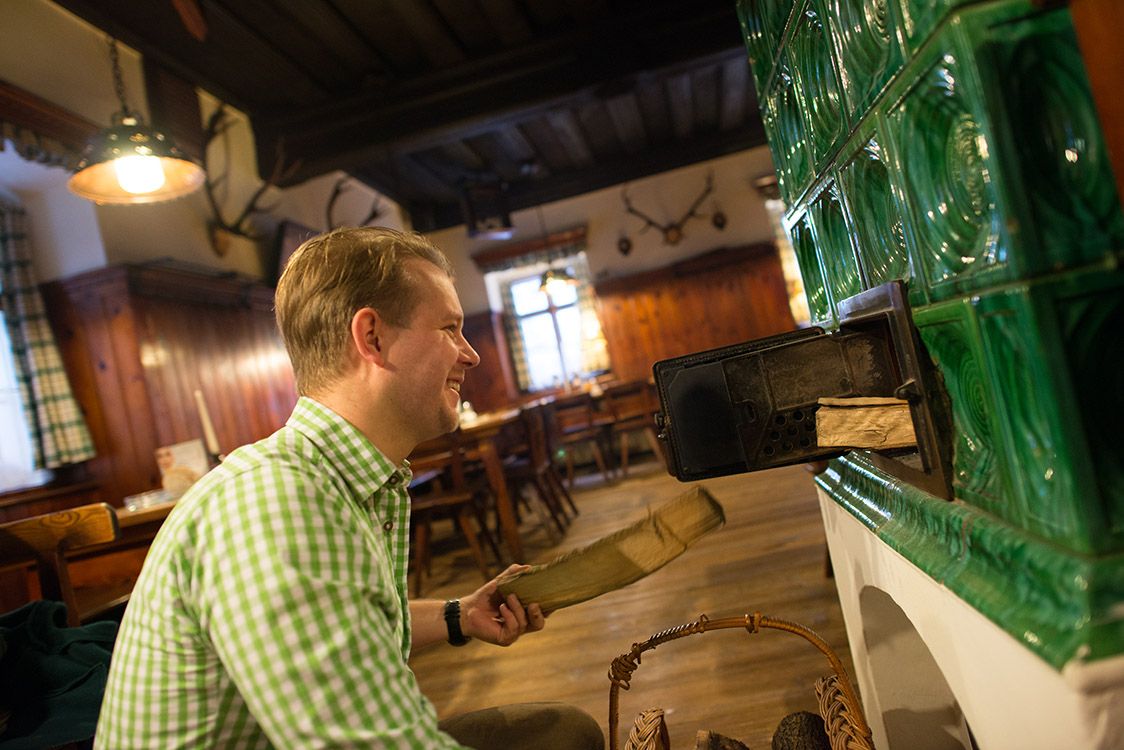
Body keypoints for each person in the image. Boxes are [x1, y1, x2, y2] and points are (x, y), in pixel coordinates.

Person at [96, 227, 604, 749]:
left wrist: (460, 615)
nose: (470, 354)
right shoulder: (277, 505)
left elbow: (345, 614)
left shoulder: (336, 480)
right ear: (372, 338)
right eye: (450, 329)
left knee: (564, 732)